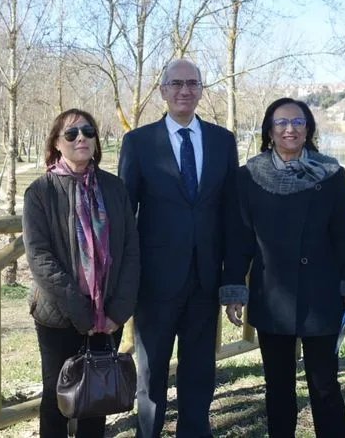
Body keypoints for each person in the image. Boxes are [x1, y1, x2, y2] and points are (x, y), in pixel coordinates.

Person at [220, 97, 345, 438]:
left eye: (298, 122)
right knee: (279, 387)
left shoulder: (331, 173)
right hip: (273, 295)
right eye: (282, 123)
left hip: (322, 293)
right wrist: (234, 289)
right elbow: (239, 239)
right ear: (269, 131)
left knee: (325, 384)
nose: (290, 129)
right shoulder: (248, 176)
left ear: (309, 129)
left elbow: (344, 234)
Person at [118, 58, 239, 438]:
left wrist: (233, 281)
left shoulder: (223, 141)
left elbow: (232, 216)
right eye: (176, 84)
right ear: (163, 90)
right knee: (151, 375)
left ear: (202, 89)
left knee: (200, 372)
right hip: (154, 283)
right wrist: (125, 282)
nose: (185, 90)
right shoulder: (138, 143)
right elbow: (125, 217)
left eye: (193, 83)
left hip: (206, 278)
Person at [22, 109, 141, 438]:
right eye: (71, 134)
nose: (81, 139)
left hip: (108, 316)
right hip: (59, 316)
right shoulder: (40, 192)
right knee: (56, 399)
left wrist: (118, 311)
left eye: (88, 132)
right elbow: (40, 258)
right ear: (57, 144)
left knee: (97, 398)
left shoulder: (115, 188)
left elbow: (131, 249)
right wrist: (82, 313)